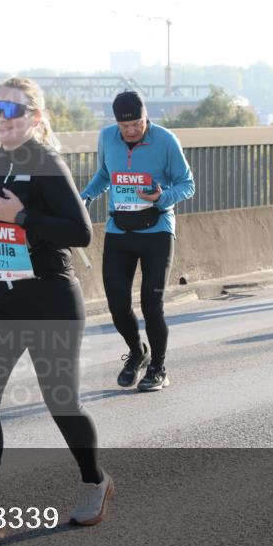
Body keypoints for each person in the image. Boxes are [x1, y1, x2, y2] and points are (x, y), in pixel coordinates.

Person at [0, 77, 111, 540]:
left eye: (12, 110)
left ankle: (95, 480)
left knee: (61, 401)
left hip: (49, 297)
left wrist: (24, 218)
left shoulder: (49, 163)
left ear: (34, 118)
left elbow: (80, 232)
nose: (0, 117)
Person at [80, 91, 195, 392]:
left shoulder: (165, 140)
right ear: (116, 123)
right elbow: (106, 173)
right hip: (120, 229)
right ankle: (137, 353)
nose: (132, 131)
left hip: (157, 230)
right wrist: (86, 197)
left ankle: (158, 367)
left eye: (138, 124)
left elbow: (187, 184)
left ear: (146, 117)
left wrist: (162, 198)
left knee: (151, 305)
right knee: (117, 306)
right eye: (125, 126)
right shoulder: (106, 138)